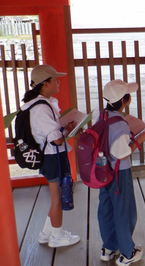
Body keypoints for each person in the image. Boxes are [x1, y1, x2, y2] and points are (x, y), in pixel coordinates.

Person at [21, 64, 80, 248]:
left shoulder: (41, 104)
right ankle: (57, 236)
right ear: (45, 84)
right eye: (55, 80)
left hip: (51, 156)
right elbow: (55, 140)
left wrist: (65, 129)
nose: (58, 82)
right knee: (57, 196)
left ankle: (47, 233)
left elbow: (51, 133)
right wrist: (69, 132)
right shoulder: (41, 108)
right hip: (52, 156)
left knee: (56, 195)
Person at [98, 80, 145, 265]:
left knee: (106, 207)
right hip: (120, 172)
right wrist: (139, 139)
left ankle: (108, 247)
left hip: (103, 170)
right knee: (124, 211)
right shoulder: (119, 123)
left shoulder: (102, 116)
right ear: (125, 100)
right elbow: (121, 153)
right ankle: (127, 253)